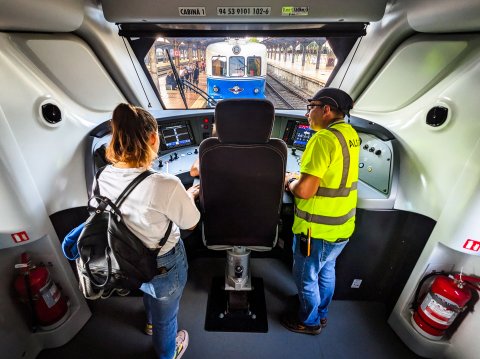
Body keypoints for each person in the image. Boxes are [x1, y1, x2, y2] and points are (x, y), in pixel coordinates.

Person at [97, 103, 200, 358]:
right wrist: (187, 196)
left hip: (126, 255)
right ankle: (167, 352)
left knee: (145, 285)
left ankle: (150, 321)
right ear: (153, 138)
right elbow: (191, 223)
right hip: (165, 262)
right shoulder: (165, 184)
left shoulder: (104, 175)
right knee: (168, 314)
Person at [281, 88, 360, 335]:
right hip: (342, 226)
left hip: (316, 229)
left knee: (306, 278)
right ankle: (321, 313)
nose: (307, 113)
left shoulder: (323, 139)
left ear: (326, 109)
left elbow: (304, 191)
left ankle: (309, 321)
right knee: (326, 272)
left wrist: (288, 182)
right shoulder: (349, 133)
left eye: (310, 107)